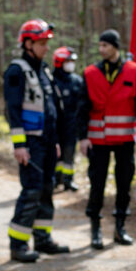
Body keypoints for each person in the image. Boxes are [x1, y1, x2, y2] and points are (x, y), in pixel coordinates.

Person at [78, 28, 136, 249]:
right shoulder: (90, 73)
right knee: (97, 184)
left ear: (115, 47)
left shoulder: (134, 71)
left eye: (105, 45)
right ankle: (95, 229)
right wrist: (82, 137)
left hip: (125, 140)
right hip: (97, 140)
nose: (101, 49)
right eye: (100, 45)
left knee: (124, 184)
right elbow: (81, 108)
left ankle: (120, 228)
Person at [5, 19, 69, 263]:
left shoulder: (43, 71)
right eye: (42, 43)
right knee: (31, 191)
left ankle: (43, 240)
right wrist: (19, 145)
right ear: (28, 43)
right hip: (30, 145)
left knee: (46, 191)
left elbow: (50, 109)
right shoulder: (17, 71)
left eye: (46, 43)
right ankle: (18, 245)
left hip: (47, 143)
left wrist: (54, 141)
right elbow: (13, 110)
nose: (46, 48)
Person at [51, 46, 82, 192]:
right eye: (68, 61)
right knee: (56, 156)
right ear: (59, 62)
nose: (71, 64)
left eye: (72, 61)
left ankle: (68, 181)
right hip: (55, 127)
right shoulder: (51, 80)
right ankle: (55, 180)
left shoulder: (77, 81)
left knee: (69, 155)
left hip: (72, 127)